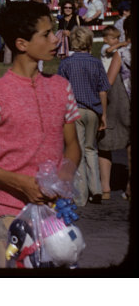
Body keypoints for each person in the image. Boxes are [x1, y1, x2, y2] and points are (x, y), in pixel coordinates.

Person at [0, 0, 82, 267]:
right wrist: (22, 183)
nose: (55, 39)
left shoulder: (61, 87)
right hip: (8, 211)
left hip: (55, 211)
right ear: (21, 44)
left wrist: (62, 179)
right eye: (46, 34)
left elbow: (73, 144)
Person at [57, 26, 110, 205]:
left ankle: (80, 194)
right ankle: (96, 189)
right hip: (93, 109)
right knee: (91, 149)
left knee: (77, 149)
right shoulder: (96, 63)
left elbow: (60, 90)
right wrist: (103, 114)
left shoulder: (66, 63)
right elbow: (103, 90)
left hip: (74, 111)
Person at [97, 19, 131, 200]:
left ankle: (105, 188)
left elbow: (108, 82)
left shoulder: (122, 52)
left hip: (121, 94)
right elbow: (109, 50)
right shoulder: (110, 49)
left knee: (110, 139)